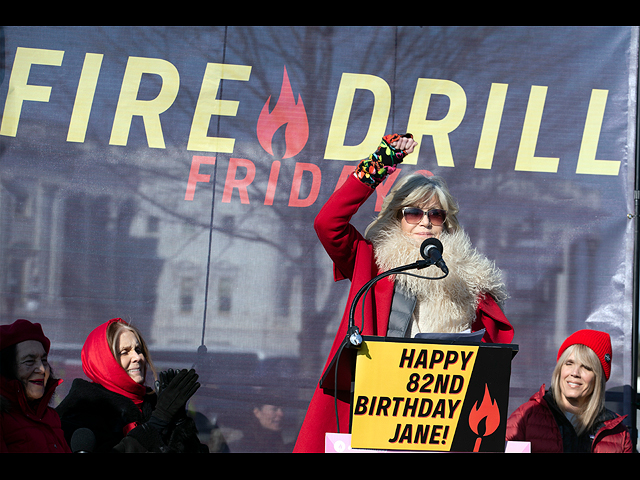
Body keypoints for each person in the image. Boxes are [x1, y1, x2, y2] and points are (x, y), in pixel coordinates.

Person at [294, 134, 513, 453]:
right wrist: (381, 162)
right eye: (413, 212)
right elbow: (328, 223)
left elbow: (494, 351)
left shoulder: (470, 279)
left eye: (435, 214)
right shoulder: (373, 260)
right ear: (398, 216)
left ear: (446, 222)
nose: (425, 221)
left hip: (444, 419)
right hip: (378, 411)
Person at [56, 318, 208, 452]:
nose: (137, 357)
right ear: (103, 360)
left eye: (138, 349)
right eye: (124, 352)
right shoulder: (80, 412)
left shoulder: (153, 404)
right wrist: (159, 420)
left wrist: (178, 422)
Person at [506, 329, 633, 453]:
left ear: (598, 379)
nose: (575, 373)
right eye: (569, 363)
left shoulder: (619, 435)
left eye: (586, 367)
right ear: (560, 368)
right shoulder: (526, 416)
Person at [1, 319, 71, 453]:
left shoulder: (51, 417)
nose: (42, 369)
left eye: (44, 361)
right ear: (6, 368)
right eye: (29, 361)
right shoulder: (3, 419)